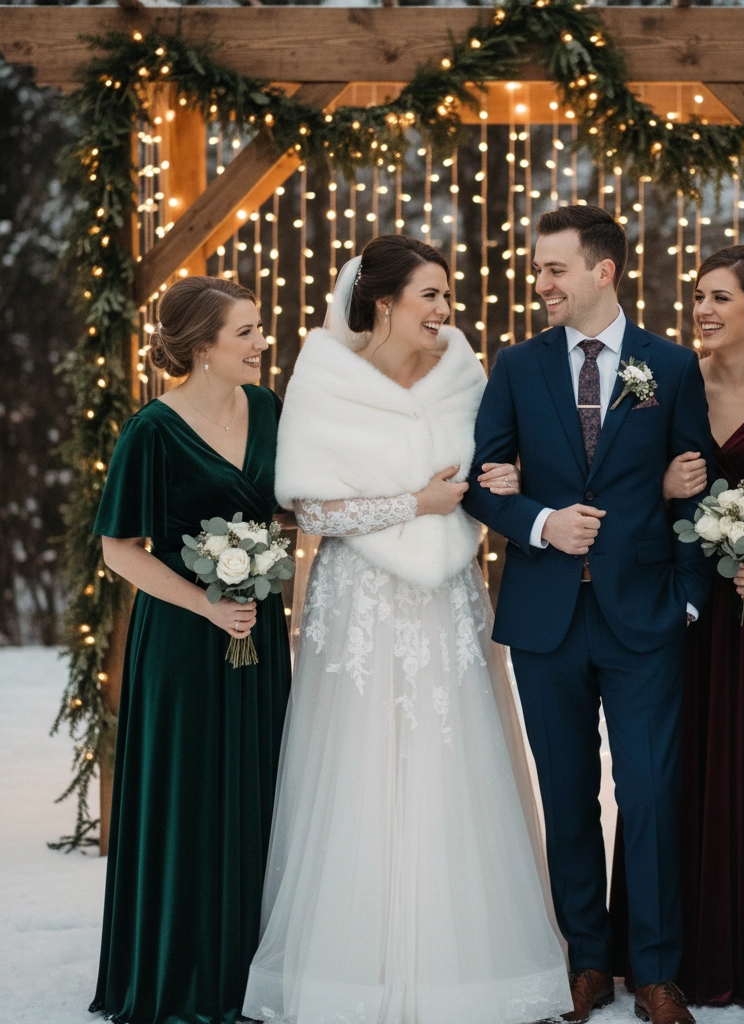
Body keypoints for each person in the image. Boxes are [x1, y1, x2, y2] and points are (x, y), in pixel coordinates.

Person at [243, 235, 572, 1024]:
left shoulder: (467, 371)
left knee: (452, 759)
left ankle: (467, 970)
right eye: (430, 293)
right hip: (359, 598)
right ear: (384, 300)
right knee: (357, 765)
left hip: (449, 596)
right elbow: (309, 507)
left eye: (447, 294)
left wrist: (502, 481)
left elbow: (494, 468)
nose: (444, 309)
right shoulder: (322, 374)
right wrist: (409, 505)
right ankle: (353, 969)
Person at [462, 205, 716, 1024]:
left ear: (602, 271)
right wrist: (540, 523)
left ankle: (657, 972)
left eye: (553, 269)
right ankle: (586, 963)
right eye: (538, 269)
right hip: (545, 620)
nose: (540, 284)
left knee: (648, 794)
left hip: (644, 617)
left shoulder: (669, 366)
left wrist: (687, 593)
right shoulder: (516, 365)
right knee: (567, 796)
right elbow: (482, 480)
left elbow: (694, 487)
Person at [608, 245, 744, 1005]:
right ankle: (662, 952)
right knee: (666, 770)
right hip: (679, 606)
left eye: (721, 298)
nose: (703, 310)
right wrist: (659, 486)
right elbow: (616, 482)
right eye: (698, 296)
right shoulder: (660, 384)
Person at [90, 276, 292, 1024]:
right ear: (203, 346)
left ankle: (253, 974)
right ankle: (180, 976)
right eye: (245, 333)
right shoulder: (151, 429)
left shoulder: (268, 407)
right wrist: (205, 602)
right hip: (183, 637)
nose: (261, 343)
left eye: (258, 329)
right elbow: (119, 550)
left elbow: (285, 503)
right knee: (187, 797)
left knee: (261, 788)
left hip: (258, 630)